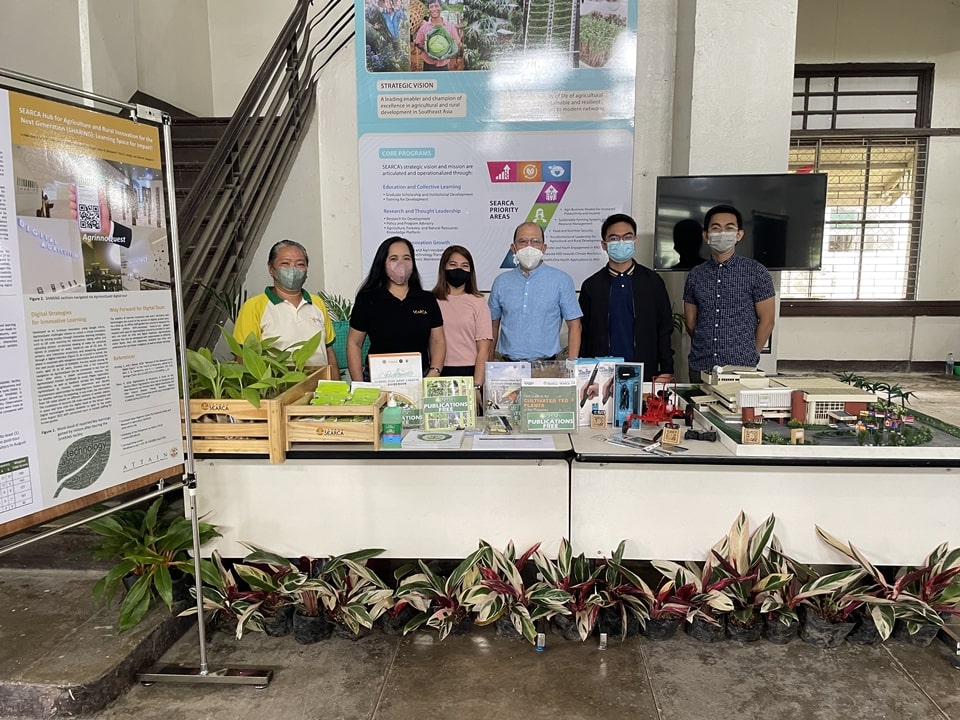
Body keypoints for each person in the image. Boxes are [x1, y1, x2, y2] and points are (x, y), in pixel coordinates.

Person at [683, 204, 775, 380]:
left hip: (741, 368)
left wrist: (749, 353)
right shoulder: (695, 274)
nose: (722, 233)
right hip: (700, 366)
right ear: (706, 235)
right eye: (716, 228)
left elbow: (767, 321)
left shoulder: (756, 272)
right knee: (695, 407)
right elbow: (690, 322)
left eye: (729, 228)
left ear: (739, 234)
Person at [579, 213, 674, 382]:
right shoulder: (591, 286)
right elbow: (584, 334)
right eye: (614, 238)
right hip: (602, 375)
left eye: (627, 237)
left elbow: (664, 328)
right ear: (604, 244)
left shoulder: (653, 282)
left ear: (635, 240)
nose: (621, 243)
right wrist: (584, 374)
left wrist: (666, 369)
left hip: (645, 373)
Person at [348, 236, 445, 381]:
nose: (401, 264)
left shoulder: (426, 299)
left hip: (420, 378)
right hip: (377, 379)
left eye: (407, 258)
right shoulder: (368, 299)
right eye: (394, 259)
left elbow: (438, 341)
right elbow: (354, 343)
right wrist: (359, 383)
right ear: (382, 264)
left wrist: (434, 373)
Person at [233, 239, 339, 371]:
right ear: (271, 269)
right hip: (277, 388)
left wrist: (337, 387)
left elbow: (329, 351)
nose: (293, 270)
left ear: (306, 270)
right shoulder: (254, 306)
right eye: (285, 263)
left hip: (320, 387)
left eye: (300, 264)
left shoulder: (317, 303)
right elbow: (243, 357)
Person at [488, 222, 582, 362]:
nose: (529, 247)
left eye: (535, 242)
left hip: (548, 368)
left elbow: (575, 325)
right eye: (523, 241)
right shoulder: (501, 282)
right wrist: (488, 367)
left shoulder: (562, 280)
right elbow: (492, 326)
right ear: (513, 248)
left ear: (544, 248)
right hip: (507, 368)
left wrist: (571, 366)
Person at [432, 245, 493, 386]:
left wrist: (477, 385)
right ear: (444, 268)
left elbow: (484, 350)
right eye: (453, 264)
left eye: (465, 265)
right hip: (437, 372)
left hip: (470, 373)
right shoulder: (431, 301)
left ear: (470, 271)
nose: (458, 269)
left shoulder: (479, 302)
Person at [414, 0, 460, 71]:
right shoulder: (424, 27)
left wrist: (448, 52)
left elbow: (457, 42)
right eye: (431, 7)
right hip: (428, 65)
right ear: (428, 10)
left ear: (441, 8)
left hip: (444, 65)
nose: (434, 9)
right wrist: (427, 50)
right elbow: (417, 42)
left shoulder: (450, 26)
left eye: (436, 6)